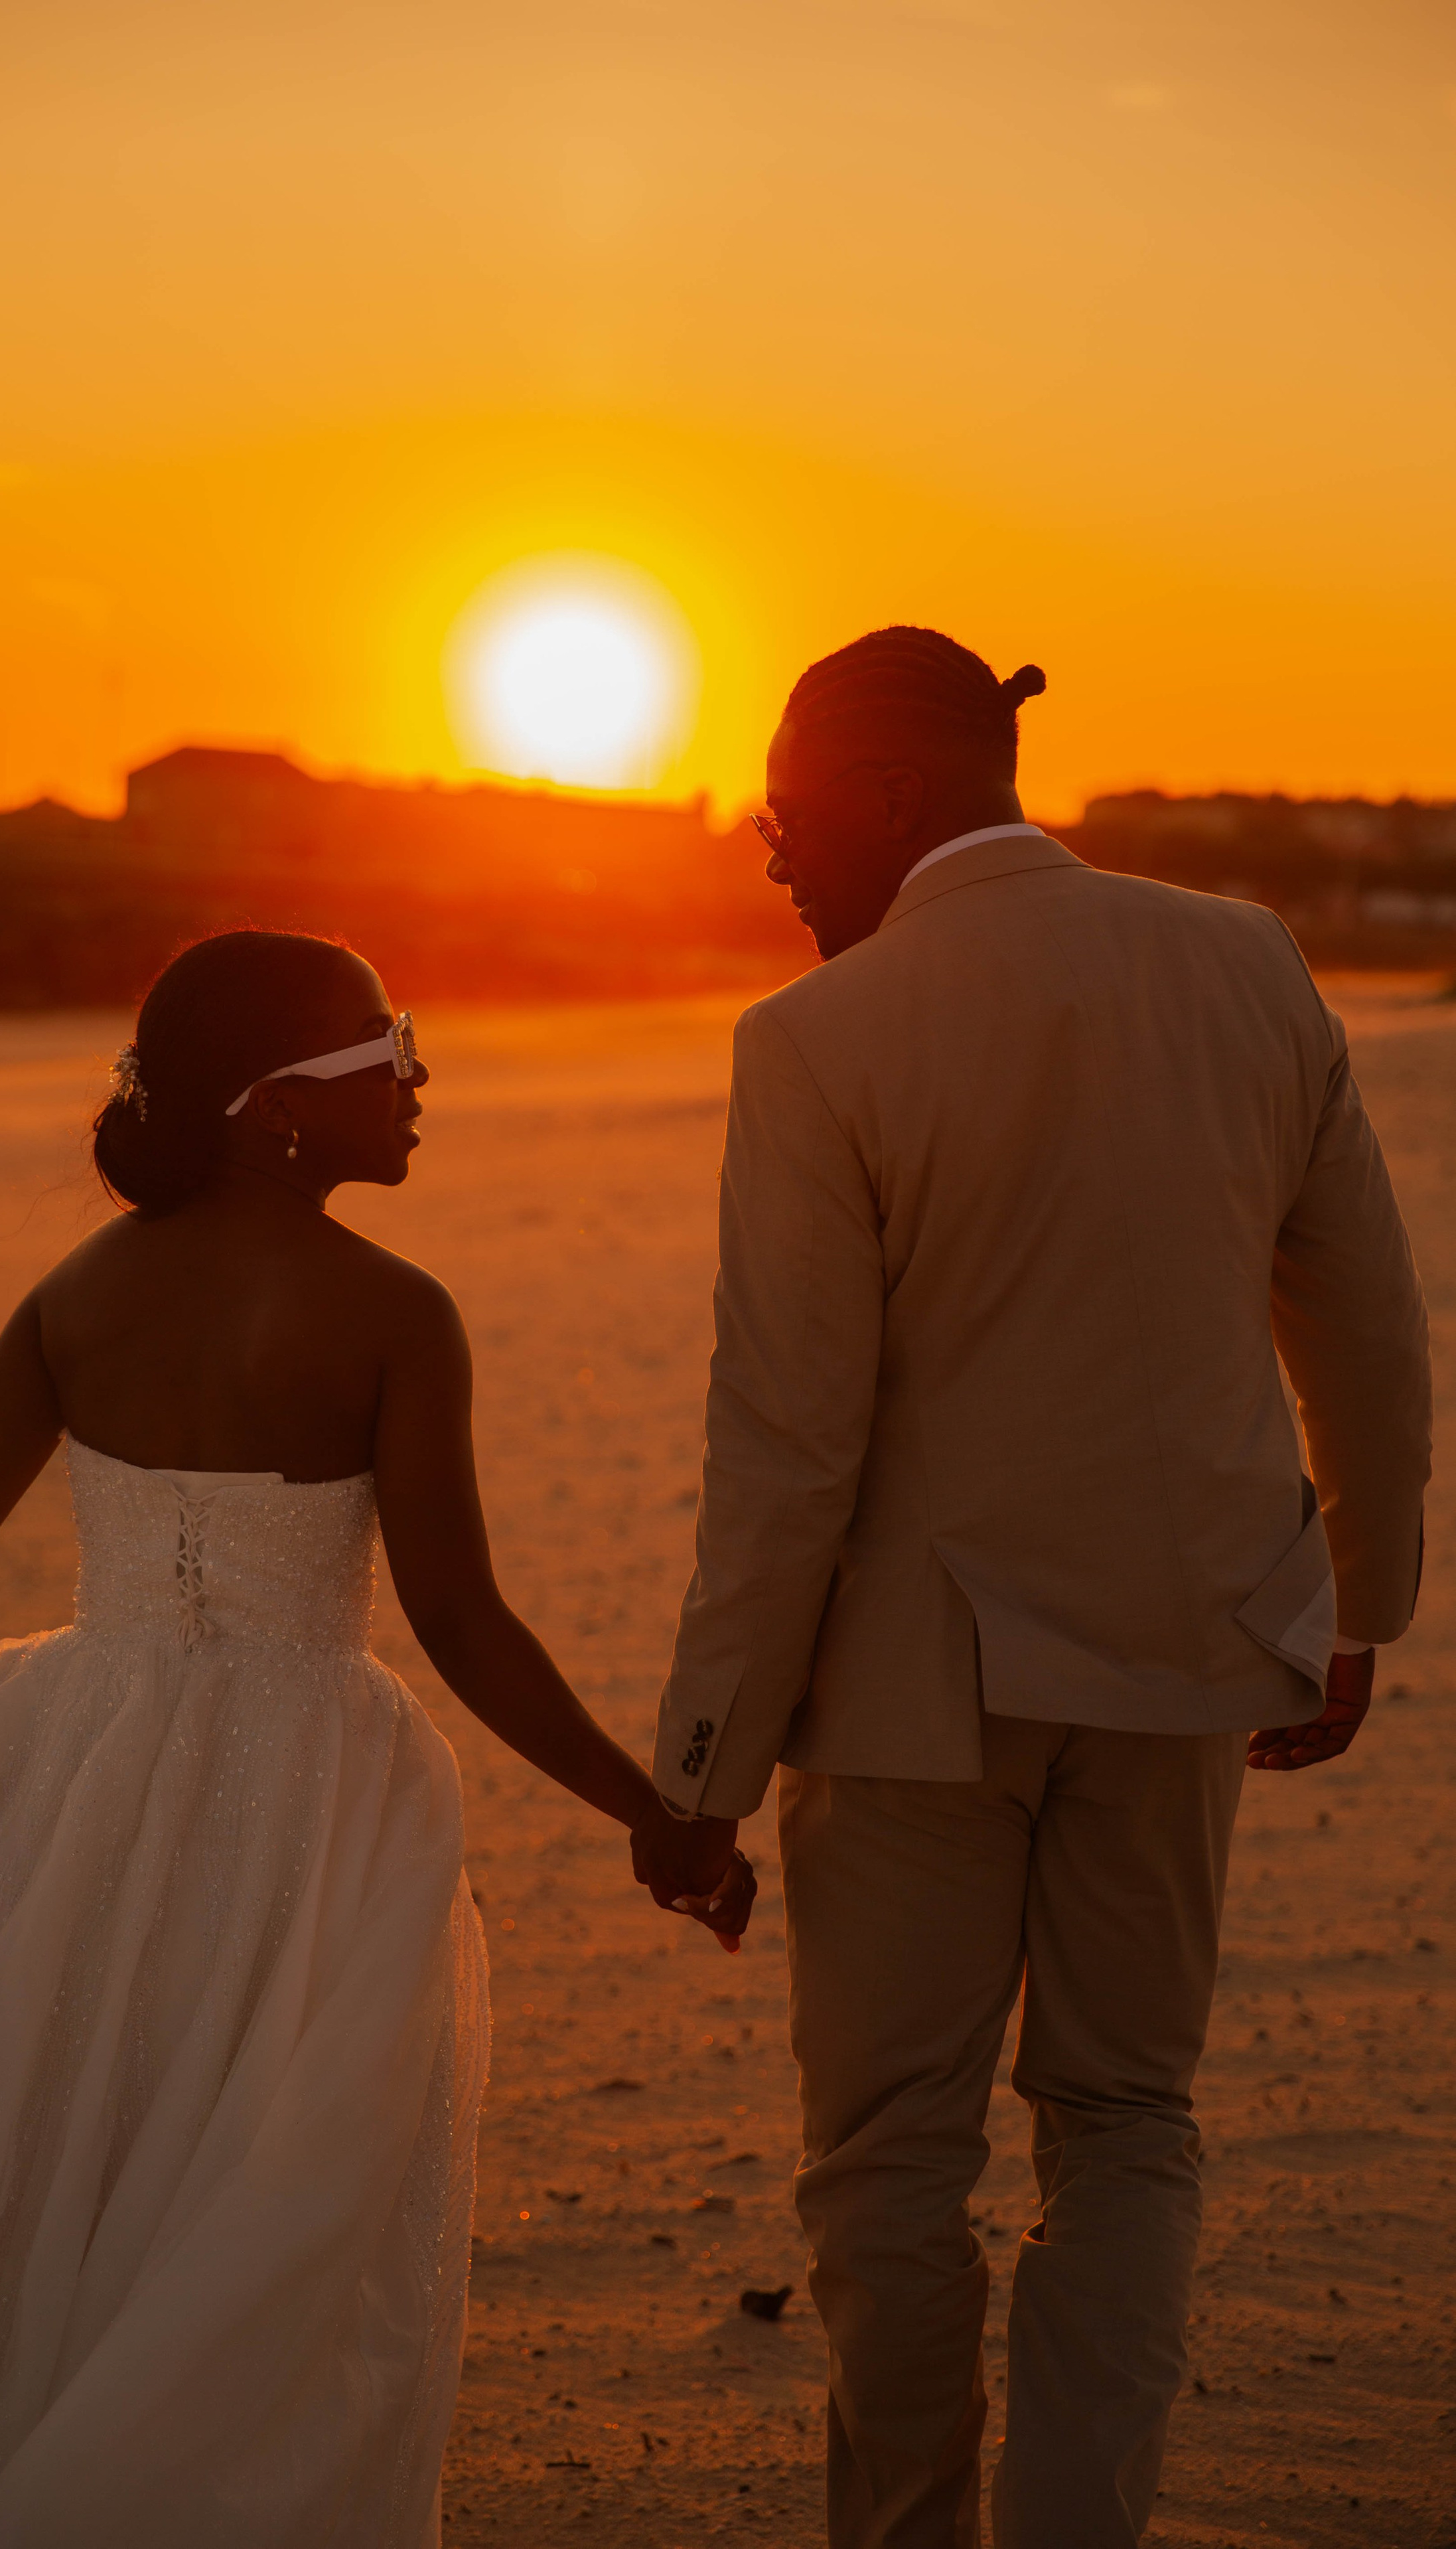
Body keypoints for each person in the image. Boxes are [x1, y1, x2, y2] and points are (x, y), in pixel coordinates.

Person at [0, 927, 754, 2549]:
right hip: (299, 1800)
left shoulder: (76, 1292)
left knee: (58, 2134)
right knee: (253, 2190)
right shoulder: (392, 1315)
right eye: (390, 1048)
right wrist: (648, 1812)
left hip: (67, 1759)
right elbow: (459, 1621)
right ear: (279, 1109)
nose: (421, 1077)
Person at [640, 629, 1432, 2548]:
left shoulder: (816, 1039)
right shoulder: (1247, 964)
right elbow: (1371, 1333)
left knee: (890, 2160)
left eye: (785, 815)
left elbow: (791, 1447)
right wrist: (1358, 1603)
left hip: (917, 1699)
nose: (770, 858)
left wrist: (704, 1767)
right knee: (1129, 2123)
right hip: (1190, 1656)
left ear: (894, 794)